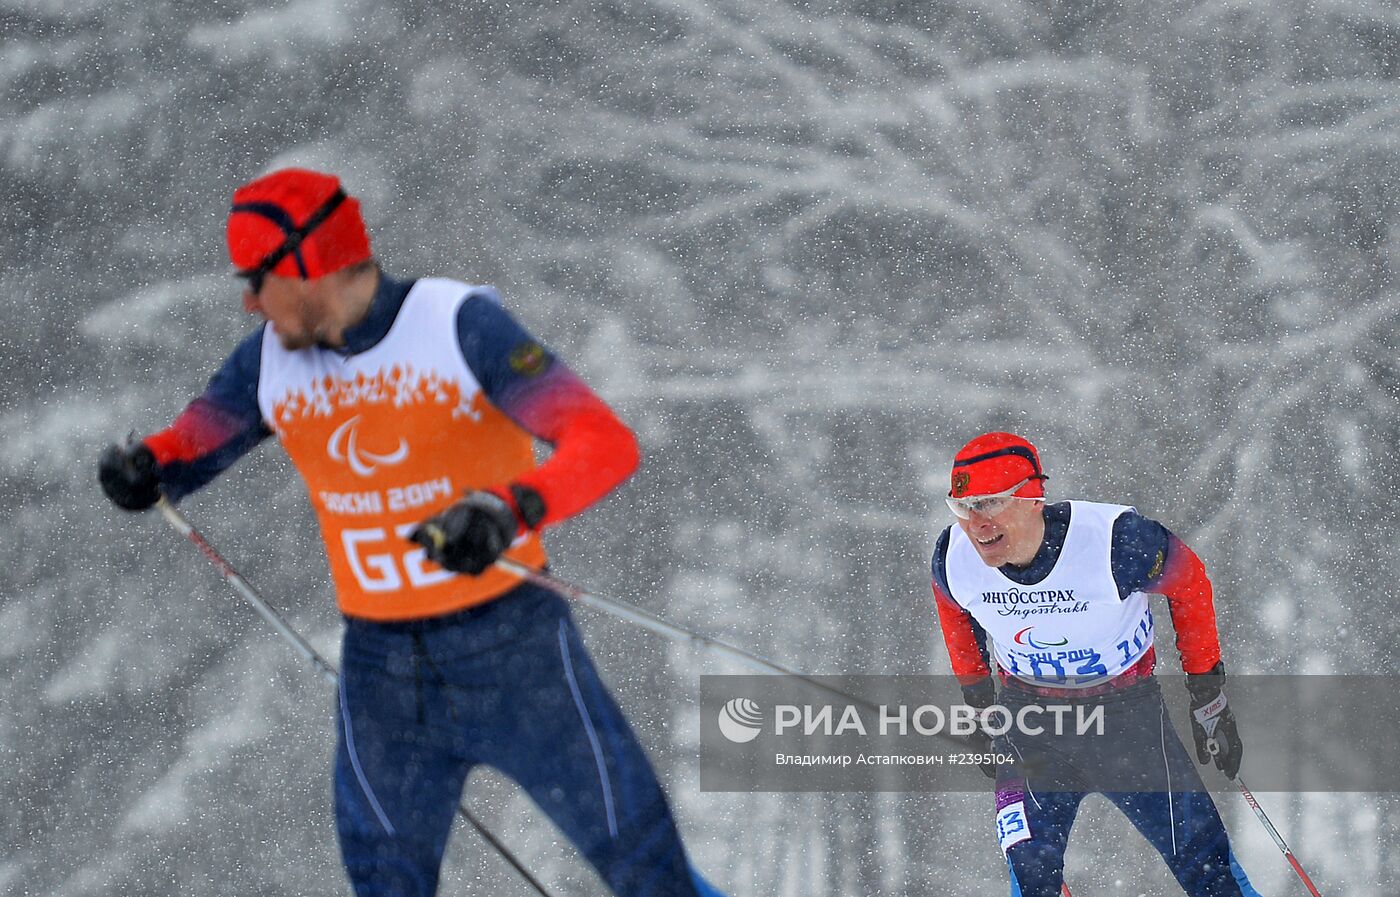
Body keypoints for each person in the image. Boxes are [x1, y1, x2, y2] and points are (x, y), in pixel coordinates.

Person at [98, 167, 724, 897]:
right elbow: (192, 444)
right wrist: (144, 467)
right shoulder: (267, 360)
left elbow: (604, 441)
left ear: (305, 267)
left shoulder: (458, 325)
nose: (247, 299)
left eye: (255, 277)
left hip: (517, 654)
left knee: (650, 876)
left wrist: (509, 508)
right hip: (384, 677)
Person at [929, 432, 1262, 897]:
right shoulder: (954, 557)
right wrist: (979, 701)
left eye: (989, 504)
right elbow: (952, 608)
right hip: (1030, 723)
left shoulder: (1116, 540)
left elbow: (1190, 584)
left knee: (1205, 866)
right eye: (962, 507)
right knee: (1030, 871)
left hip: (1128, 720)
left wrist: (1207, 695)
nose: (976, 524)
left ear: (1031, 498)